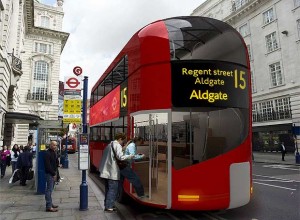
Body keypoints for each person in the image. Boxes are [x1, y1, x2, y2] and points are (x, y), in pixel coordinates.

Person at [98, 133, 132, 213]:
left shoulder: (110, 144)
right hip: (112, 172)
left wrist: (125, 146)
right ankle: (109, 207)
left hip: (106, 171)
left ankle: (108, 205)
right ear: (120, 139)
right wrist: (130, 156)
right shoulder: (117, 146)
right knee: (113, 190)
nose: (122, 142)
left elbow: (116, 152)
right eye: (123, 141)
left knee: (108, 189)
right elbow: (121, 157)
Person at [44, 141, 59, 212]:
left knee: (51, 189)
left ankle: (50, 203)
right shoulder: (47, 153)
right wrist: (53, 174)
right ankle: (48, 206)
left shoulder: (54, 152)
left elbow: (55, 162)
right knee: (49, 190)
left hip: (53, 173)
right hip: (50, 174)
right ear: (50, 145)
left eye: (56, 145)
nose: (55, 146)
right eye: (54, 145)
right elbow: (48, 166)